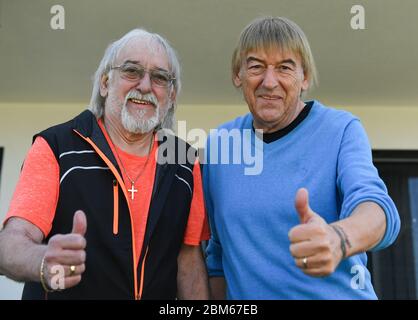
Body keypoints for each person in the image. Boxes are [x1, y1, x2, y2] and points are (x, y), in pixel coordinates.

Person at [0, 28, 210, 300]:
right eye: (131, 71)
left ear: (170, 97)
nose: (145, 86)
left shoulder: (185, 162)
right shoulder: (57, 147)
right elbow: (11, 243)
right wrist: (42, 261)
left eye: (159, 77)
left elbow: (189, 262)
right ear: (105, 83)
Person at [203, 16, 400, 299]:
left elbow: (377, 209)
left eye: (284, 68)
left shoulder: (341, 129)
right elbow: (218, 256)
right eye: (256, 66)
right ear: (238, 75)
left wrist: (338, 239)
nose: (269, 82)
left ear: (304, 77)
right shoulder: (219, 146)